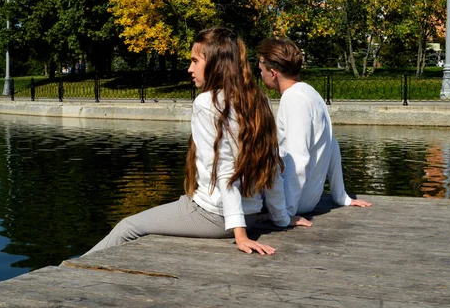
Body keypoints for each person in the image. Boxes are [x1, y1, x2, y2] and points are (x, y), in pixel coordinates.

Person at [84, 27, 297, 257]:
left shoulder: (207, 104)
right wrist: (281, 218)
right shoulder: (258, 100)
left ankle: (68, 273)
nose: (190, 69)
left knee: (127, 227)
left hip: (215, 215)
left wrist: (240, 235)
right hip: (249, 216)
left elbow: (225, 170)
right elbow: (271, 166)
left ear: (215, 63)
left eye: (195, 61)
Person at [257, 37, 372, 219]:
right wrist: (341, 196)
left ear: (273, 73)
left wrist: (286, 213)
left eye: (261, 70)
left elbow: (298, 158)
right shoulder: (311, 93)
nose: (260, 75)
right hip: (307, 199)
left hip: (292, 201)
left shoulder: (292, 99)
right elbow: (331, 145)